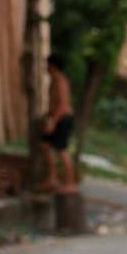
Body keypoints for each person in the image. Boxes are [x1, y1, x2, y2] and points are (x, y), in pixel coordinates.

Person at [39, 54, 77, 193]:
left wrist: (53, 122)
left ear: (53, 66)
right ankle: (52, 178)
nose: (46, 67)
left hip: (63, 119)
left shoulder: (61, 81)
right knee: (44, 146)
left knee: (61, 150)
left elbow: (62, 104)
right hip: (55, 118)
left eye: (47, 64)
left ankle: (70, 182)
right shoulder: (54, 80)